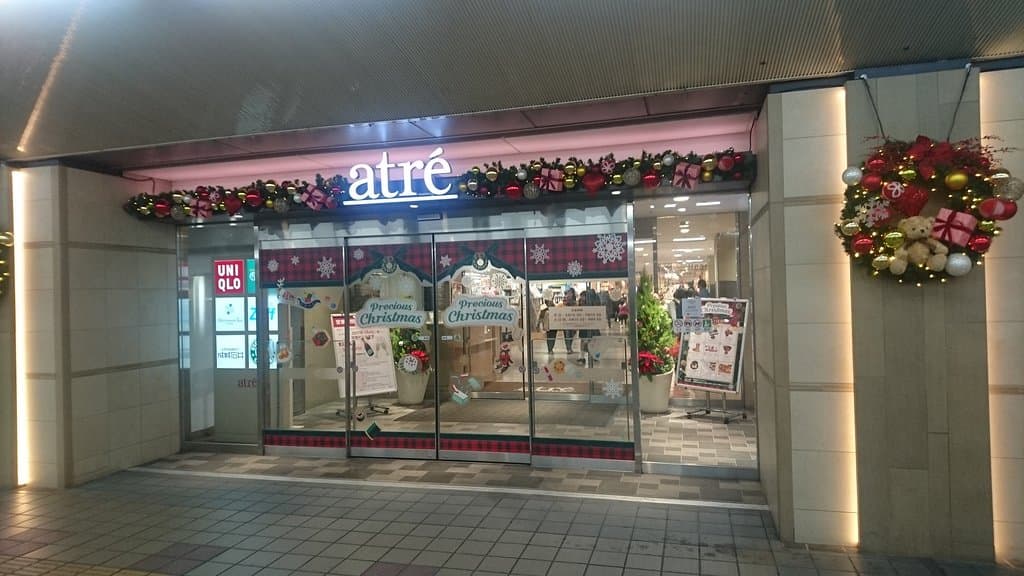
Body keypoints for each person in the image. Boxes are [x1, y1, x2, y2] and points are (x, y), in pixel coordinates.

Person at [562, 286, 577, 353]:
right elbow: (563, 306)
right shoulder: (565, 299)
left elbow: (576, 308)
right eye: (569, 292)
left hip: (573, 320)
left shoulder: (574, 300)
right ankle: (568, 348)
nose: (569, 294)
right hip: (566, 320)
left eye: (571, 292)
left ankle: (569, 347)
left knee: (572, 334)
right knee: (567, 334)